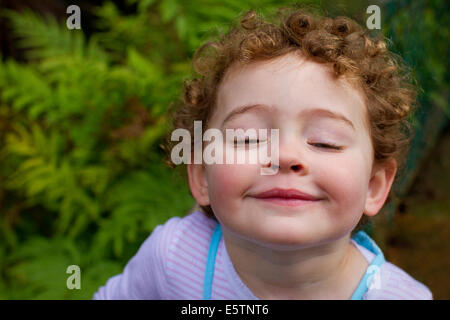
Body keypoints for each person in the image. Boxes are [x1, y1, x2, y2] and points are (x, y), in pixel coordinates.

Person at [93, 5, 433, 300]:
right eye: (248, 138)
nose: (285, 156)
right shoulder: (173, 257)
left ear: (374, 186)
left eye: (325, 141)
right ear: (201, 176)